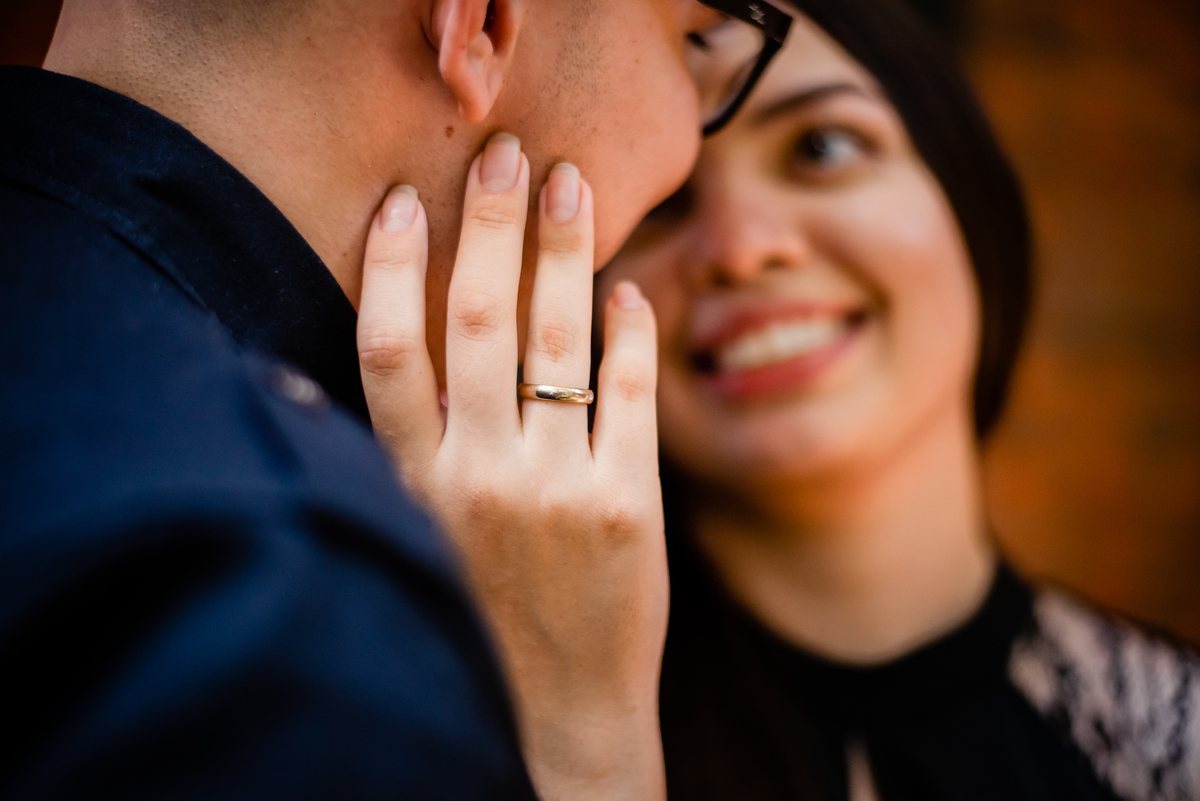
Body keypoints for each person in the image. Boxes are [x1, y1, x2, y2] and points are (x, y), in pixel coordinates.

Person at [0, 0, 793, 798]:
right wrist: (579, 752)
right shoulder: (297, 619)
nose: (689, 150)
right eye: (695, 36)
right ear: (480, 23)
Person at [598, 0, 1200, 799]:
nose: (741, 248)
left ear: (968, 191)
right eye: (658, 198)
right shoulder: (515, 735)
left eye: (821, 146)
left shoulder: (1174, 749)